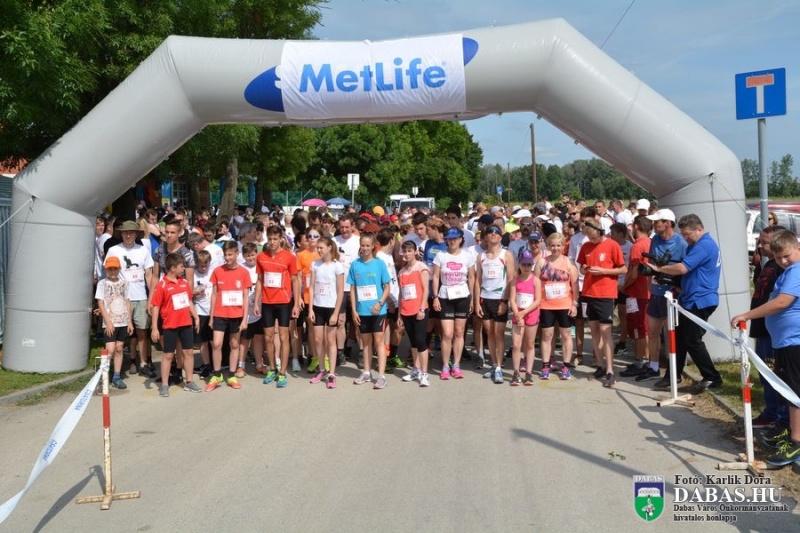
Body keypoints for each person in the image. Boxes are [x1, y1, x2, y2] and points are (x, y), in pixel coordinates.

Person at [731, 229, 800, 466]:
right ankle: (791, 432)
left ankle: (796, 442)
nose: (783, 261)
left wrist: (747, 315)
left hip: (794, 342)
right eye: (778, 257)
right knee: (789, 390)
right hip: (786, 341)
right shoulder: (789, 270)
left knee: (793, 392)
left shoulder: (796, 271)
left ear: (798, 248)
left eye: (787, 255)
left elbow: (782, 302)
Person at [649, 214, 723, 393]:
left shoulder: (704, 245)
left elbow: (683, 268)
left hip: (700, 300)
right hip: (689, 298)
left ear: (699, 229)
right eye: (683, 235)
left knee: (692, 340)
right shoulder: (695, 245)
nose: (685, 238)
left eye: (687, 234)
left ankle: (712, 378)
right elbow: (687, 271)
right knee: (680, 339)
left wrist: (659, 269)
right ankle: (673, 375)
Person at [737, 225, 789, 430]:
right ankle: (771, 413)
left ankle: (781, 419)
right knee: (765, 375)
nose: (760, 245)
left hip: (774, 333)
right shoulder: (768, 265)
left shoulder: (785, 269)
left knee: (777, 376)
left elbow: (780, 302)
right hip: (762, 329)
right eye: (760, 241)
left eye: (765, 242)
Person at [577, 212, 627, 388]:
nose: (592, 240)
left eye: (594, 237)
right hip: (589, 292)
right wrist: (584, 270)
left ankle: (611, 370)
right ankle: (600, 365)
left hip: (605, 294)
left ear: (600, 232)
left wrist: (604, 271)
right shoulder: (586, 246)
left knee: (606, 332)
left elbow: (623, 269)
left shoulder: (612, 245)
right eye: (589, 238)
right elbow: (581, 267)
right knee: (594, 330)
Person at [641, 209, 687, 386]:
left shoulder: (681, 242)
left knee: (670, 335)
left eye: (657, 222)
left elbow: (685, 268)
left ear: (668, 223)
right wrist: (650, 288)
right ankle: (653, 367)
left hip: (672, 294)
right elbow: (652, 265)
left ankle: (672, 371)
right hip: (656, 293)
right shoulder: (655, 240)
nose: (653, 224)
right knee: (652, 331)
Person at [106, 220, 155, 379]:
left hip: (140, 296)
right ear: (121, 234)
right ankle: (115, 368)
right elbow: (107, 274)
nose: (128, 235)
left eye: (131, 232)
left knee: (142, 330)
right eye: (125, 232)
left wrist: (151, 298)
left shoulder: (143, 250)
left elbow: (149, 275)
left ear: (136, 234)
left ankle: (143, 362)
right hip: (119, 298)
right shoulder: (114, 250)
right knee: (120, 333)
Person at [254, 225, 300, 389]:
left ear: (281, 239)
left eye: (275, 239)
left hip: (284, 302)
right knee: (268, 337)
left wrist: (296, 303)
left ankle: (282, 372)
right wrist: (256, 301)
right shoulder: (261, 257)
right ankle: (272, 368)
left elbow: (295, 280)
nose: (272, 242)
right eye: (270, 239)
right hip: (267, 302)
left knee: (283, 336)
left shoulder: (289, 257)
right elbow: (260, 279)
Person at [149, 253, 201, 397]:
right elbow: (156, 307)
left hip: (186, 324)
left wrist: (196, 317)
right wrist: (154, 328)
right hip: (170, 325)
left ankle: (189, 381)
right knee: (168, 355)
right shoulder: (162, 285)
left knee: (188, 353)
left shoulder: (183, 282)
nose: (183, 269)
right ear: (173, 268)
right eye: (181, 266)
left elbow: (189, 301)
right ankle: (165, 385)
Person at [205, 241, 252, 391]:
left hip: (236, 314)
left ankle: (231, 375)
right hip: (220, 313)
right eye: (225, 255)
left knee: (234, 344)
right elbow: (214, 295)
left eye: (230, 254)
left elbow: (245, 297)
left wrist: (244, 319)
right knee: (216, 344)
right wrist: (211, 317)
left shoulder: (244, 272)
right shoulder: (217, 271)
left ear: (237, 254)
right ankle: (217, 374)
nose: (227, 257)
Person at [348, 232, 392, 389]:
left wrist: (380, 303)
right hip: (362, 311)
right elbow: (352, 289)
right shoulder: (355, 265)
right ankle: (366, 372)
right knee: (365, 342)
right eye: (363, 245)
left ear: (373, 246)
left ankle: (381, 376)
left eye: (368, 245)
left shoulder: (379, 264)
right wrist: (354, 310)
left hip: (378, 310)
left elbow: (387, 287)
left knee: (379, 341)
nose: (365, 248)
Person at [432, 227, 475, 380]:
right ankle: (445, 365)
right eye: (450, 239)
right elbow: (435, 276)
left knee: (459, 332)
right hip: (445, 296)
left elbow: (471, 277)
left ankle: (456, 365)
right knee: (447, 334)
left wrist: (472, 298)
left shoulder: (467, 256)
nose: (452, 241)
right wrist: (435, 296)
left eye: (455, 238)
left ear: (461, 239)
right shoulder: (440, 255)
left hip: (462, 296)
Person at [535, 233, 579, 382]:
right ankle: (545, 365)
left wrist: (574, 304)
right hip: (546, 304)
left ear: (563, 246)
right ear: (548, 246)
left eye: (558, 245)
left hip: (564, 304)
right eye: (552, 245)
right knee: (546, 336)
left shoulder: (569, 263)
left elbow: (575, 286)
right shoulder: (542, 262)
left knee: (566, 336)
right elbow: (535, 284)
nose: (555, 248)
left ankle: (565, 366)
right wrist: (535, 304)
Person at [475, 224, 516, 384]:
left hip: (499, 298)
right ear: (485, 237)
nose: (493, 234)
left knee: (499, 334)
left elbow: (511, 279)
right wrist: (477, 302)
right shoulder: (481, 256)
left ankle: (499, 366)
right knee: (489, 333)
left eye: (496, 232)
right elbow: (478, 281)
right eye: (490, 232)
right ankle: (493, 364)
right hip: (485, 298)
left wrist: (505, 301)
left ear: (500, 236)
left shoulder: (506, 254)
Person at [619, 216, 654, 380]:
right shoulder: (651, 243)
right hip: (647, 293)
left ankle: (639, 362)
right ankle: (645, 360)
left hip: (637, 293)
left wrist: (623, 287)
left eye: (632, 226)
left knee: (638, 329)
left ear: (637, 226)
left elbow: (633, 274)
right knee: (644, 329)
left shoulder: (637, 246)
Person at [308, 237, 345, 389]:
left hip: (331, 307)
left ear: (329, 247)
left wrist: (336, 312)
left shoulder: (337, 266)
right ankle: (322, 369)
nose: (319, 250)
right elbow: (311, 287)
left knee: (331, 340)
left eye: (321, 247)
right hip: (318, 306)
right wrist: (310, 308)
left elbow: (341, 291)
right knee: (318, 339)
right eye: (317, 248)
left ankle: (332, 373)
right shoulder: (315, 264)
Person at [95, 256, 133, 389]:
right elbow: (100, 303)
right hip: (110, 322)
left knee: (119, 348)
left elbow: (127, 301)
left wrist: (129, 321)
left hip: (122, 321)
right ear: (106, 270)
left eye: (115, 269)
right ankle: (102, 375)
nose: (112, 272)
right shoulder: (102, 283)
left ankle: (116, 376)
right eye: (110, 269)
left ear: (119, 269)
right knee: (110, 349)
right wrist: (108, 321)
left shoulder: (124, 283)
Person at [398, 241, 432, 387]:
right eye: (405, 251)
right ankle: (416, 369)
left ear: (415, 252)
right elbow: (401, 293)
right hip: (406, 310)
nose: (407, 254)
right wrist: (399, 314)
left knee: (420, 341)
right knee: (412, 342)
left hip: (419, 310)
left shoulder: (421, 268)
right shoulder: (401, 271)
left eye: (409, 251)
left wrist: (422, 309)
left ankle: (424, 373)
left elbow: (425, 289)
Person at [509, 251, 542, 386]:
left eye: (529, 264)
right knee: (516, 344)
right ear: (519, 264)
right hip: (518, 315)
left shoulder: (536, 281)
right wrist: (518, 314)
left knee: (529, 344)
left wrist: (524, 313)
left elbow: (537, 300)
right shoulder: (515, 281)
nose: (526, 267)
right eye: (524, 264)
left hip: (531, 314)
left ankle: (528, 373)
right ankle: (516, 373)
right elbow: (512, 299)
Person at [237, 242, 264, 378]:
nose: (251, 258)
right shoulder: (240, 268)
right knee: (244, 339)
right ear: (243, 256)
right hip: (245, 310)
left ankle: (259, 365)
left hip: (259, 307)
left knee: (258, 338)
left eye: (253, 255)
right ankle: (241, 366)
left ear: (257, 254)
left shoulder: (261, 267)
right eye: (248, 255)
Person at [191, 249, 214, 379]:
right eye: (201, 266)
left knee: (214, 341)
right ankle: (206, 365)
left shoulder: (213, 273)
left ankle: (216, 364)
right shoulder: (193, 275)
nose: (203, 268)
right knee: (202, 341)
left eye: (206, 265)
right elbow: (188, 292)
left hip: (213, 311)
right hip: (199, 310)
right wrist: (194, 292)